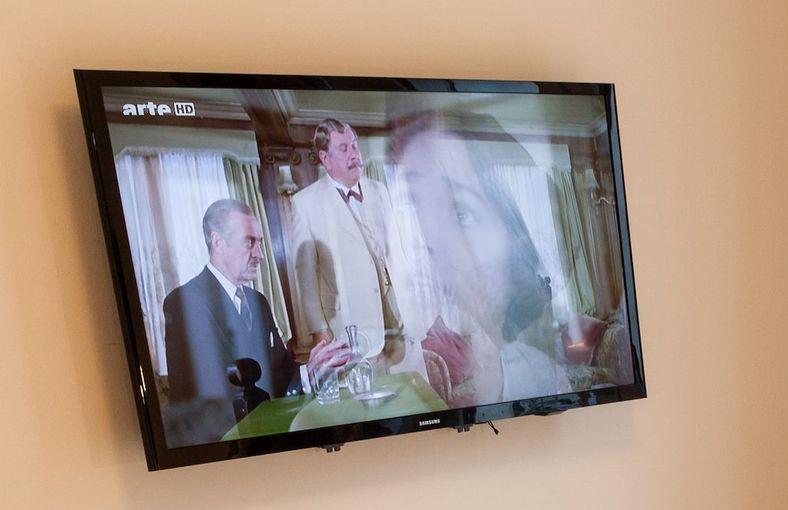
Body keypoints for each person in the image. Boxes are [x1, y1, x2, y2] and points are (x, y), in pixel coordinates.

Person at [390, 110, 570, 409]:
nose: (424, 240)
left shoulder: (546, 381)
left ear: (514, 244)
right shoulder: (391, 381)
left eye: (460, 213)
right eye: (412, 204)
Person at [160, 199, 349, 445]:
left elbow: (279, 372)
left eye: (260, 242)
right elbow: (205, 394)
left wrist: (310, 371)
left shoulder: (257, 301)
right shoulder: (184, 302)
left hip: (267, 436)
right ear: (218, 242)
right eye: (249, 242)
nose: (259, 254)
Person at [285, 117, 403, 363]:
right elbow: (305, 277)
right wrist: (320, 330)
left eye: (355, 146)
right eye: (344, 148)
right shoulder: (305, 203)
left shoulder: (380, 191)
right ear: (326, 159)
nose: (354, 154)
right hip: (348, 329)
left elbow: (396, 253)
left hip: (395, 322)